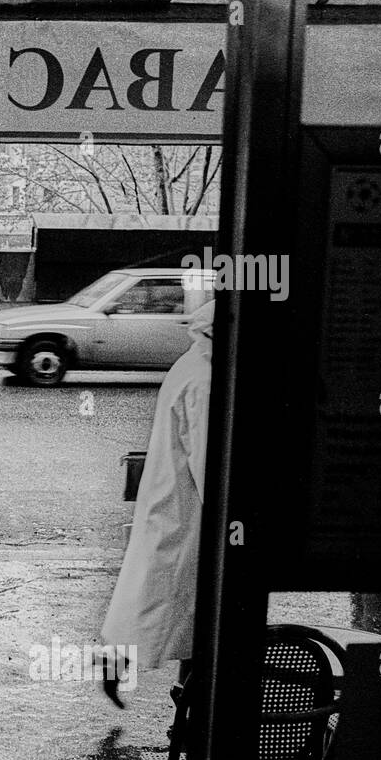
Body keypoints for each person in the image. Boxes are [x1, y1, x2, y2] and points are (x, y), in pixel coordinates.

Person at [99, 300, 216, 706]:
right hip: (186, 511)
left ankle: (129, 667)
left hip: (170, 500)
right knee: (174, 606)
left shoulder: (193, 364)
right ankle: (185, 699)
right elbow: (207, 465)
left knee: (159, 599)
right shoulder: (206, 380)